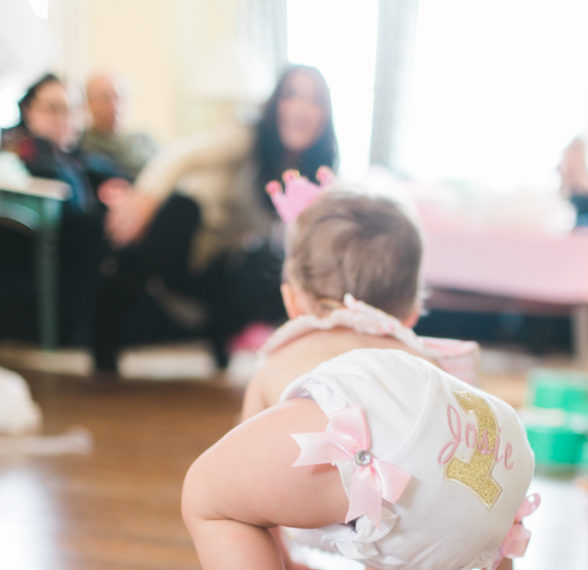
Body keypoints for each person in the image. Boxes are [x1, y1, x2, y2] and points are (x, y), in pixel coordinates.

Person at [181, 184, 539, 570]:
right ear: (412, 310)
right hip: (485, 456)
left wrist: (280, 560)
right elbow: (470, 489)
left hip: (348, 437)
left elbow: (251, 481)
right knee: (397, 569)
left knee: (210, 493)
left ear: (293, 300)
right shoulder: (421, 359)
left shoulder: (290, 346)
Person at [95, 64, 339, 372]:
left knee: (273, 265)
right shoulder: (247, 134)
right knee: (182, 212)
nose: (302, 109)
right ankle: (109, 327)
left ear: (326, 114)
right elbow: (180, 156)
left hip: (218, 260)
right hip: (182, 233)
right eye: (293, 96)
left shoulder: (313, 174)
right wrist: (143, 199)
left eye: (315, 100)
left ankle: (216, 334)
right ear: (276, 103)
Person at [0, 73, 124, 345]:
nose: (63, 118)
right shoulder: (18, 151)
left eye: (70, 109)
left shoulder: (88, 159)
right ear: (28, 111)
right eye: (53, 108)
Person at [81, 72, 157, 178]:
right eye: (106, 98)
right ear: (87, 103)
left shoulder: (143, 139)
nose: (114, 106)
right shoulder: (82, 145)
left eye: (119, 97)